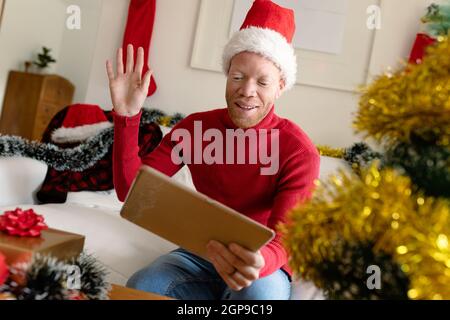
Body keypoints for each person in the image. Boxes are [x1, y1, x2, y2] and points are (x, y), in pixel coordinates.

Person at [106, 0, 319, 300]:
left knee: (260, 298)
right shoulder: (196, 129)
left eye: (263, 81)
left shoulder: (298, 150)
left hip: (262, 264)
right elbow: (132, 192)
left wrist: (258, 263)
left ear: (280, 86)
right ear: (227, 73)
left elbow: (285, 238)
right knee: (144, 285)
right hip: (201, 255)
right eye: (238, 77)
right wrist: (127, 117)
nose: (247, 90)